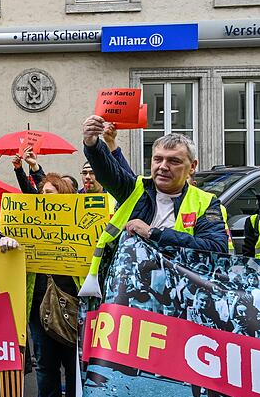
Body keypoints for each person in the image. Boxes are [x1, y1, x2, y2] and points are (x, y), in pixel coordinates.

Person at [80, 115, 230, 293]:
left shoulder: (206, 202)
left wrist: (153, 234)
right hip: (126, 294)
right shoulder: (134, 188)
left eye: (174, 161)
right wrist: (91, 143)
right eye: (158, 159)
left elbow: (217, 250)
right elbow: (107, 170)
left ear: (192, 166)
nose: (163, 166)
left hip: (179, 297)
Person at [26, 172, 79, 397]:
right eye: (41, 193)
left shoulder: (79, 226)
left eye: (50, 193)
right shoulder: (30, 225)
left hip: (75, 308)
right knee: (46, 372)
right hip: (39, 309)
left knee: (75, 371)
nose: (44, 197)